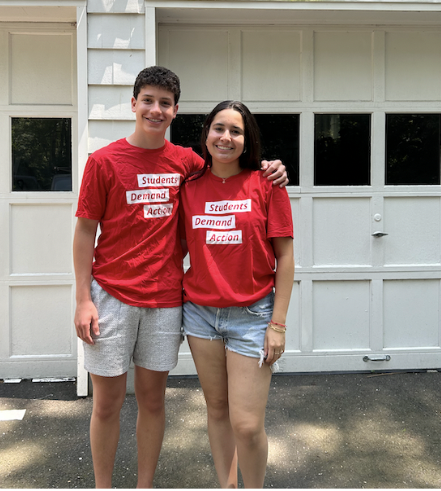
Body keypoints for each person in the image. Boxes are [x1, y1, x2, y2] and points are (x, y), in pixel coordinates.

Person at [73, 66, 288, 489]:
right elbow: (84, 231)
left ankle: (145, 485)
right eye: (148, 101)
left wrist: (272, 167)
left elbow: (232, 171)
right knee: (106, 404)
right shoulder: (103, 162)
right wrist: (83, 298)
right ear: (133, 104)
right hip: (111, 297)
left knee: (153, 401)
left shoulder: (188, 164)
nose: (156, 110)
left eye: (165, 103)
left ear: (175, 111)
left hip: (167, 300)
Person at [180, 100, 295, 488]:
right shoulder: (189, 187)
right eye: (218, 128)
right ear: (206, 134)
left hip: (252, 316)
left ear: (248, 141)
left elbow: (285, 257)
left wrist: (277, 324)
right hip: (200, 315)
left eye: (236, 131)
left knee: (246, 424)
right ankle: (226, 485)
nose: (225, 137)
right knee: (216, 409)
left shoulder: (267, 184)